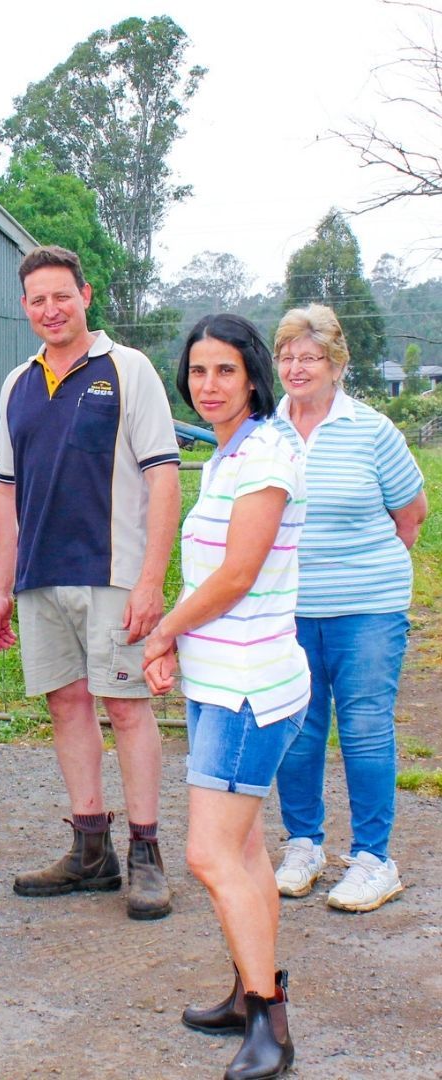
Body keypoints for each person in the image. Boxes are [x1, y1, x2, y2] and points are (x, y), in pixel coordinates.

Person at [0, 245, 181, 920]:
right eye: (37, 299)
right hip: (41, 575)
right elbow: (6, 493)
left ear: (85, 295)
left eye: (61, 295)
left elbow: (163, 475)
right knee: (65, 705)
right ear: (24, 307)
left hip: (113, 572)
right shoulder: (17, 383)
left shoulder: (128, 370)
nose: (50, 309)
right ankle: (90, 849)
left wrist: (152, 579)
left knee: (126, 706)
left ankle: (147, 853)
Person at [144, 314, 308, 1080]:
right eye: (198, 372)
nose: (208, 386)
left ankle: (270, 1023)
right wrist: (183, 644)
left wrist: (162, 632)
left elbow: (239, 574)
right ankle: (249, 994)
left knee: (208, 854)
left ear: (252, 378)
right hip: (222, 679)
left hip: (251, 688)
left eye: (224, 372)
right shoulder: (229, 451)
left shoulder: (269, 451)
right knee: (245, 851)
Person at [270, 304, 427, 912]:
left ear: (337, 364)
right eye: (286, 355)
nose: (296, 366)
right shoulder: (266, 428)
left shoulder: (372, 430)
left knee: (363, 730)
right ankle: (303, 845)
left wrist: (357, 572)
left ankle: (372, 859)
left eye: (309, 357)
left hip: (367, 609)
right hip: (289, 610)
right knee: (298, 732)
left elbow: (410, 515)